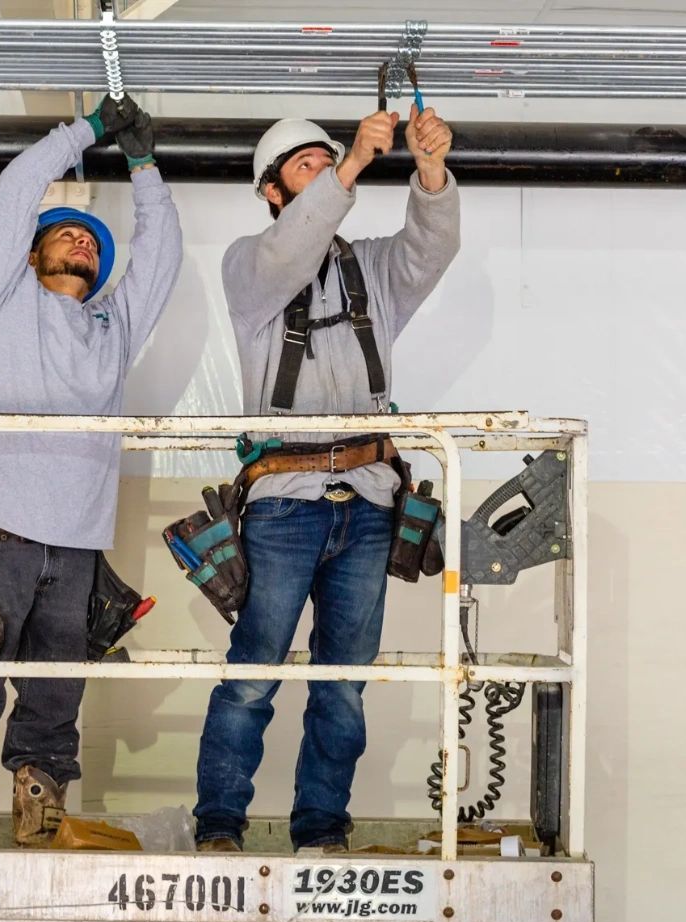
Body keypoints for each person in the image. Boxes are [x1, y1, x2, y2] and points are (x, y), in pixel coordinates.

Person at [193, 105, 461, 853]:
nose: (324, 175)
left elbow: (430, 248)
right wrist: (346, 170)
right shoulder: (249, 266)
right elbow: (289, 256)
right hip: (284, 504)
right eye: (305, 168)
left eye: (328, 163)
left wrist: (430, 170)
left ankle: (321, 830)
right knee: (253, 676)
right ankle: (219, 825)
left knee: (343, 683)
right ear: (272, 194)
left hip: (371, 503)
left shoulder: (368, 270)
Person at [0, 94, 181, 848]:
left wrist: (142, 165)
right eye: (65, 234)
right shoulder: (4, 301)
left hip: (74, 543)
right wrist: (88, 131)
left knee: (56, 690)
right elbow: (15, 190)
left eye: (92, 241)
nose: (82, 243)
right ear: (31, 255)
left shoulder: (112, 327)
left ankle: (41, 803)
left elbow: (159, 255)